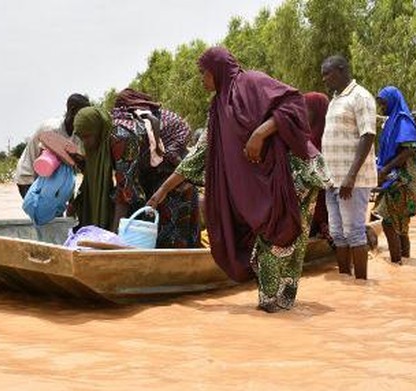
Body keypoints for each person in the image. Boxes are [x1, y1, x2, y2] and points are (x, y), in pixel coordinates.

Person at [149, 47, 329, 313]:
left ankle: (274, 305)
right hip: (263, 183)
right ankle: (276, 305)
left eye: (203, 73)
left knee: (282, 238)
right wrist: (160, 193)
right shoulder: (217, 109)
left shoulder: (252, 82)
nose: (201, 79)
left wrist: (260, 133)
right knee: (270, 238)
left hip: (296, 173)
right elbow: (198, 156)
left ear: (217, 69)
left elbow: (293, 103)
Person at [110, 88, 200, 248]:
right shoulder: (151, 121)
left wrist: (115, 237)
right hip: (171, 184)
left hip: (172, 187)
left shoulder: (123, 133)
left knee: (170, 248)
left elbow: (126, 190)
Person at [320, 55, 378, 280]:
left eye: (329, 74)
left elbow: (368, 135)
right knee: (337, 234)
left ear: (343, 70)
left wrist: (350, 177)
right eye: (323, 74)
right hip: (332, 179)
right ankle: (345, 280)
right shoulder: (334, 99)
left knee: (354, 232)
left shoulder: (360, 96)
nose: (325, 79)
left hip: (353, 180)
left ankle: (361, 283)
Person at [373, 86, 416, 265]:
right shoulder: (393, 121)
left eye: (383, 103)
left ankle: (396, 263)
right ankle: (404, 262)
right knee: (401, 225)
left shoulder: (403, 121)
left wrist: (385, 170)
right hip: (397, 178)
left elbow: (408, 150)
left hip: (404, 180)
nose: (381, 108)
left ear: (392, 101)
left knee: (388, 222)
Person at [14, 93, 90, 198]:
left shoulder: (77, 134)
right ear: (72, 111)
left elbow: (72, 165)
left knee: (57, 212)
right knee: (41, 212)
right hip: (29, 177)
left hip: (53, 182)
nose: (86, 118)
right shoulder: (51, 129)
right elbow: (45, 164)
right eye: (83, 114)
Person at [304, 92, 332, 242]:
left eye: (307, 110)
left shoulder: (330, 138)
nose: (304, 114)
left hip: (324, 200)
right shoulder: (304, 136)